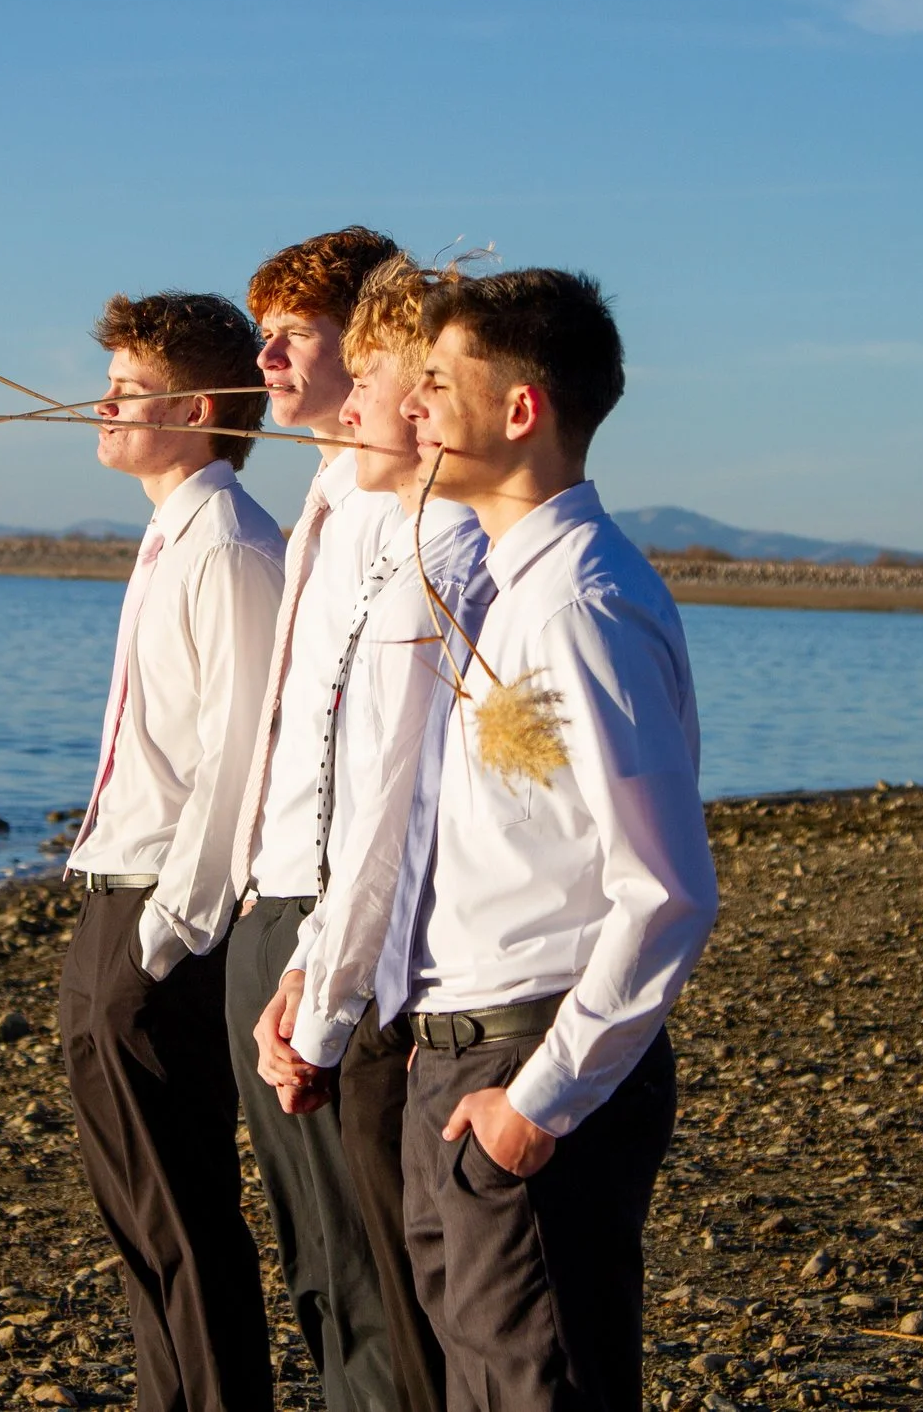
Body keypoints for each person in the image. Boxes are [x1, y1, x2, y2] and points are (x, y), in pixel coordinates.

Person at [395, 268, 718, 1412]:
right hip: (458, 1058)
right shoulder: (502, 585)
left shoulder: (583, 601)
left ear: (521, 409)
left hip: (531, 1061)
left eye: (436, 380)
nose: (413, 405)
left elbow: (669, 889)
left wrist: (534, 1107)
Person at [250, 254, 490, 1412]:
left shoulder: (446, 567)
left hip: (407, 985)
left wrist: (328, 995)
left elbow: (392, 812)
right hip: (321, 932)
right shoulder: (373, 523)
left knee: (407, 1299)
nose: (339, 394)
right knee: (352, 1276)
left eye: (368, 366)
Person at [59, 290, 286, 1412]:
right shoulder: (171, 532)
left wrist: (163, 936)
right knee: (135, 1210)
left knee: (180, 1209)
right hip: (114, 898)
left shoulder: (233, 544)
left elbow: (238, 763)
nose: (100, 403)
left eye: (128, 388)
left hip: (159, 916)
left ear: (199, 407)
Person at [221, 226, 408, 1412]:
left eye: (295, 331)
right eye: (262, 332)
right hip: (270, 897)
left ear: (372, 339)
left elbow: (383, 766)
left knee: (364, 1264)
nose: (267, 356)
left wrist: (321, 959)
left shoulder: (402, 514)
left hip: (330, 919)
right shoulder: (323, 497)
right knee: (314, 1266)